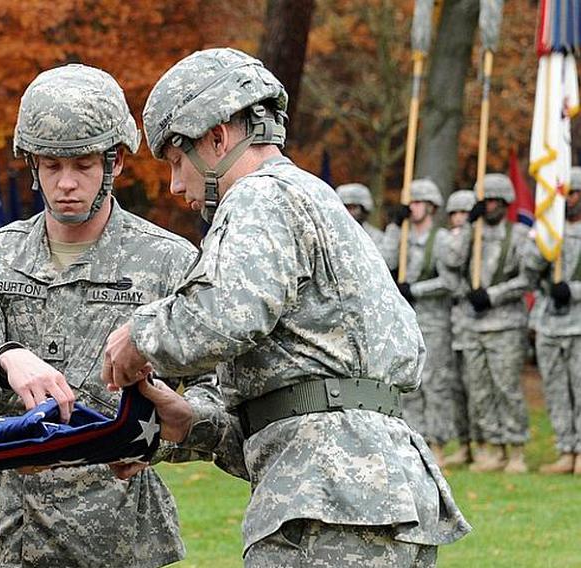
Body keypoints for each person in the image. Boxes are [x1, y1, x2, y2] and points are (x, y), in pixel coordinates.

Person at [103, 48, 470, 566]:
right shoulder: (312, 200)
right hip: (366, 492)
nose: (174, 185)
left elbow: (227, 314)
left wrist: (137, 336)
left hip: (328, 507)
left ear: (216, 137)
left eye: (176, 160)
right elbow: (303, 400)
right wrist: (191, 423)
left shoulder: (261, 196)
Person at [0, 64, 211, 568]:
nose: (66, 184)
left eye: (84, 165)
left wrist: (154, 438)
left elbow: (214, 390)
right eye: (51, 166)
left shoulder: (168, 262)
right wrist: (7, 359)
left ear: (115, 164)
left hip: (120, 535)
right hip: (9, 537)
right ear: (33, 166)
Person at [452, 173, 531, 473]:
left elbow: (527, 278)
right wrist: (468, 225)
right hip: (473, 324)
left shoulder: (519, 235)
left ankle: (516, 450)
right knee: (480, 389)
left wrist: (494, 295)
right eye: (487, 201)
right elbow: (452, 259)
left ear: (507, 203)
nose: (491, 207)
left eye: (497, 201)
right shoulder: (473, 234)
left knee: (506, 387)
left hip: (505, 324)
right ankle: (493, 447)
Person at [381, 179, 456, 463]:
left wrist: (417, 289)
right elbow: (383, 260)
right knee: (407, 382)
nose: (412, 208)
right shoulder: (401, 237)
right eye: (410, 203)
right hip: (404, 320)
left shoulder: (441, 240)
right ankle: (414, 439)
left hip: (433, 320)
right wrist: (394, 226)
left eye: (418, 203)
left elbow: (450, 280)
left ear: (431, 207)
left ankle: (437, 443)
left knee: (435, 382)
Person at [524, 167, 581, 475]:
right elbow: (528, 272)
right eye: (564, 194)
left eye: (573, 194)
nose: (567, 200)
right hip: (549, 323)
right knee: (556, 389)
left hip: (578, 323)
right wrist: (543, 246)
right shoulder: (549, 231)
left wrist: (572, 290)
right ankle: (566, 449)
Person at [444, 189, 480, 466]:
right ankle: (464, 441)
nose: (459, 218)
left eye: (465, 213)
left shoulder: (478, 238)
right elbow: (452, 260)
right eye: (454, 213)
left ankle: (481, 444)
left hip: (475, 320)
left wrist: (471, 229)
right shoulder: (452, 238)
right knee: (454, 387)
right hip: (451, 321)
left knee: (476, 385)